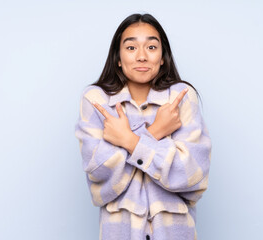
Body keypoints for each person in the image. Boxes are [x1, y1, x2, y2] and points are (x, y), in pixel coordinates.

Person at [75, 13, 212, 240]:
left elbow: (193, 176)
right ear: (118, 57)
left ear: (162, 57)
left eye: (151, 47)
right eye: (131, 48)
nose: (141, 56)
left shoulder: (181, 97)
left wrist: (128, 141)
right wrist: (155, 131)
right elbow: (100, 176)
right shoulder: (96, 101)